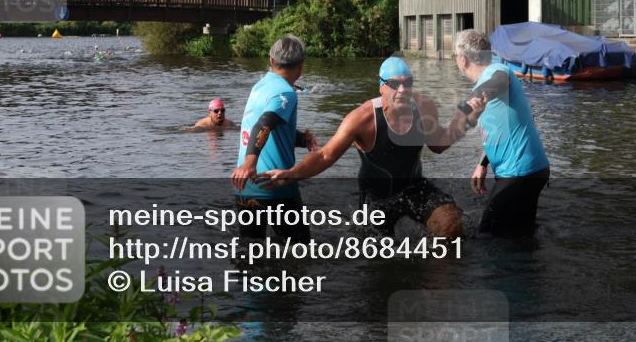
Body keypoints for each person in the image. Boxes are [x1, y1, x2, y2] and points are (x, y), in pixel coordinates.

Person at [261, 57, 484, 239]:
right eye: (395, 84)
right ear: (382, 87)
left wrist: (468, 115)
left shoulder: (423, 107)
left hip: (414, 189)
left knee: (451, 226)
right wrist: (292, 174)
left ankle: (437, 288)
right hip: (377, 199)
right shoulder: (362, 119)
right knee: (377, 257)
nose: (403, 90)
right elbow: (325, 155)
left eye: (408, 83)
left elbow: (439, 144)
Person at [454, 29, 550, 238]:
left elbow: (499, 81)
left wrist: (470, 102)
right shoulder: (489, 78)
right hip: (529, 171)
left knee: (488, 236)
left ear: (462, 59)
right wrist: (482, 163)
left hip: (519, 174)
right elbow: (503, 127)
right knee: (519, 236)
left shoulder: (496, 71)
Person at [230, 35, 318, 242]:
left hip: (245, 188)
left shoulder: (260, 86)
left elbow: (267, 129)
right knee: (300, 250)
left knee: (251, 250)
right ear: (301, 65)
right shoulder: (286, 92)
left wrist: (302, 140)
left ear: (271, 61)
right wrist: (250, 164)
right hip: (275, 186)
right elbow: (264, 124)